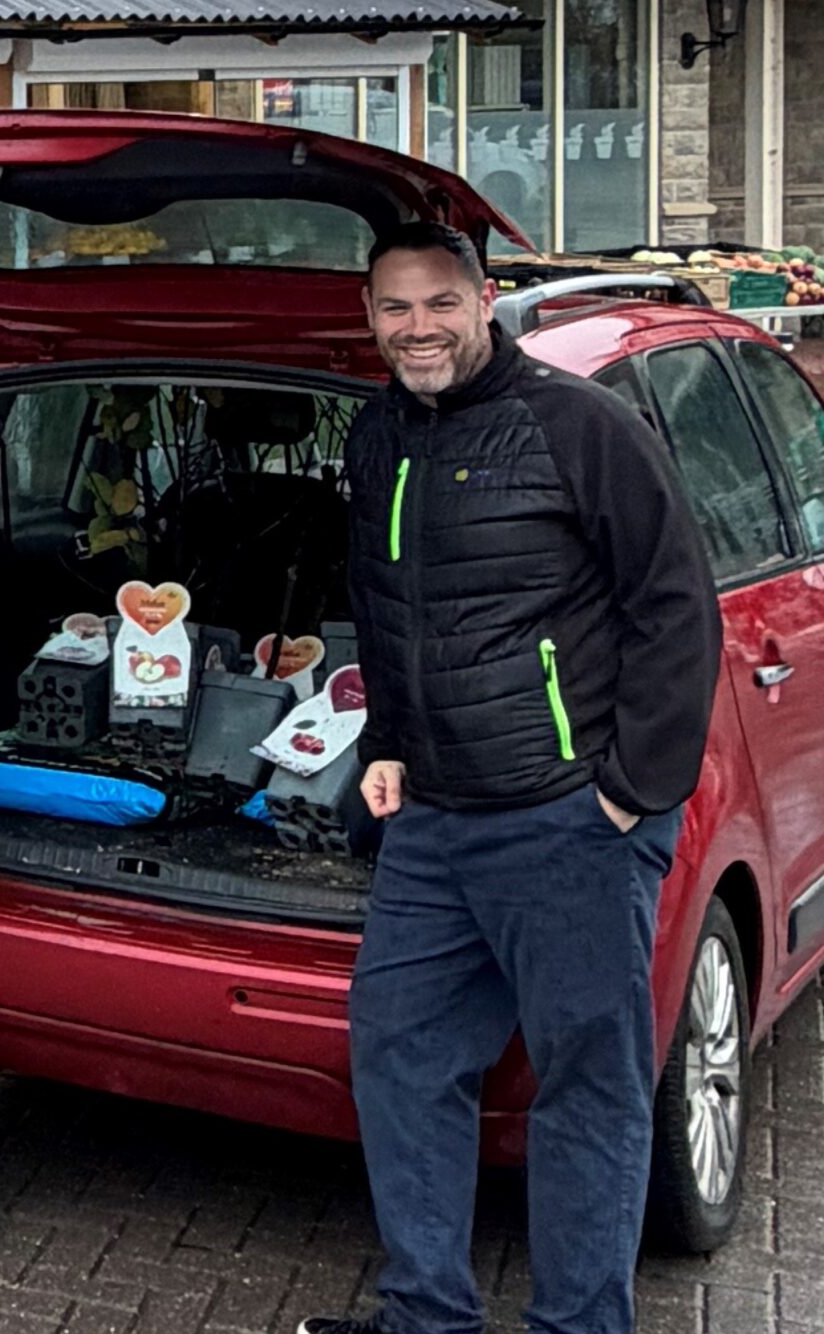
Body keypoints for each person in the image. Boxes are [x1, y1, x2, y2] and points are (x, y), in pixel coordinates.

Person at [297, 223, 722, 1334]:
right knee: (395, 1054)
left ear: (482, 300)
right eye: (393, 307)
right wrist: (383, 739)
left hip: (563, 821)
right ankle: (424, 1313)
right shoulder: (376, 434)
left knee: (587, 1081)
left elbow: (675, 605)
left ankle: (582, 1322)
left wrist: (629, 791)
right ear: (367, 316)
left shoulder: (576, 425)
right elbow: (384, 602)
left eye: (438, 301)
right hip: (432, 820)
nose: (416, 326)